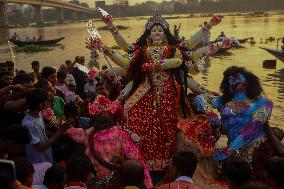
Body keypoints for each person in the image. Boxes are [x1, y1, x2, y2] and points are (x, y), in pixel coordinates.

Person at [92, 9, 230, 175]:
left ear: (165, 34)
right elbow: (123, 60)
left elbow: (189, 55)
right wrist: (104, 44)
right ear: (149, 35)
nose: (157, 32)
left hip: (168, 93)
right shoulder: (142, 51)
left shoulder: (173, 50)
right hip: (145, 93)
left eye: (160, 30)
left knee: (170, 128)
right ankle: (142, 162)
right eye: (153, 30)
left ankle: (170, 163)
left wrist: (216, 40)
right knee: (131, 115)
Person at [195, 66, 274, 177]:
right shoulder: (223, 100)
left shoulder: (264, 102)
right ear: (228, 85)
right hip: (231, 152)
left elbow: (252, 127)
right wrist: (210, 113)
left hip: (255, 149)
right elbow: (199, 98)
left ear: (249, 81)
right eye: (232, 80)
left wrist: (229, 149)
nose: (236, 82)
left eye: (239, 79)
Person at [66, 95, 153, 189]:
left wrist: (149, 185)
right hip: (100, 185)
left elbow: (138, 163)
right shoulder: (89, 134)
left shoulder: (121, 134)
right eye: (98, 114)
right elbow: (69, 131)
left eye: (104, 114)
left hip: (118, 184)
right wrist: (51, 117)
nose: (101, 117)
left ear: (111, 115)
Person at [22, 88, 69, 165]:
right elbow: (40, 147)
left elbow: (41, 132)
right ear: (40, 105)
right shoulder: (28, 124)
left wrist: (56, 130)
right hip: (38, 163)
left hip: (46, 157)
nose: (49, 102)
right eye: (46, 101)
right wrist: (59, 132)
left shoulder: (39, 114)